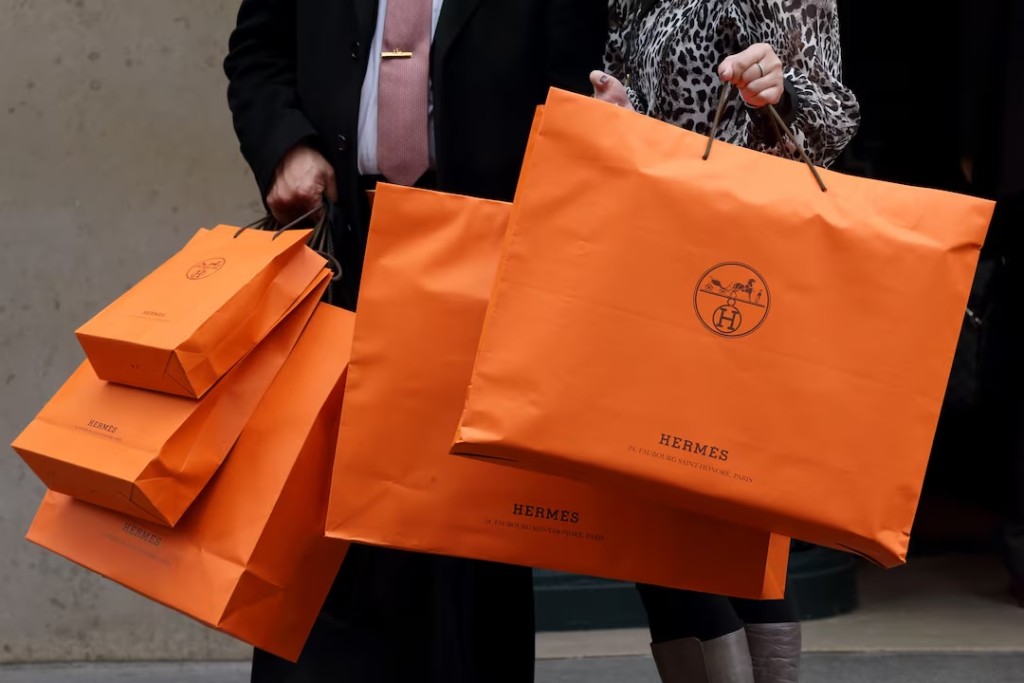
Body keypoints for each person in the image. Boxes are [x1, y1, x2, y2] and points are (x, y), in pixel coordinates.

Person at [222, 2, 607, 681]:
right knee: (319, 530)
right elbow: (259, 54)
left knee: (465, 550)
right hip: (340, 239)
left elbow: (577, 83)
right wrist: (288, 145)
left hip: (485, 254)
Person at [591, 1, 860, 681]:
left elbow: (832, 118)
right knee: (654, 520)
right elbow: (647, 115)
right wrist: (621, 109)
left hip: (731, 279)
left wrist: (779, 89)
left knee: (724, 519)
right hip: (644, 263)